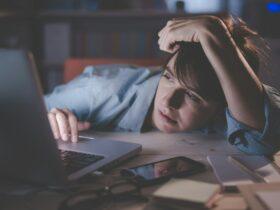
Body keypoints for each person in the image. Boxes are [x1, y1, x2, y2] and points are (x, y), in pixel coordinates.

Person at [44, 15, 280, 155]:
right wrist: (48, 118)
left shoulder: (240, 103)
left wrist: (213, 33)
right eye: (168, 77)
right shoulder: (101, 90)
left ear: (223, 103)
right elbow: (19, 114)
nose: (168, 102)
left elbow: (263, 140)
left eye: (193, 96)